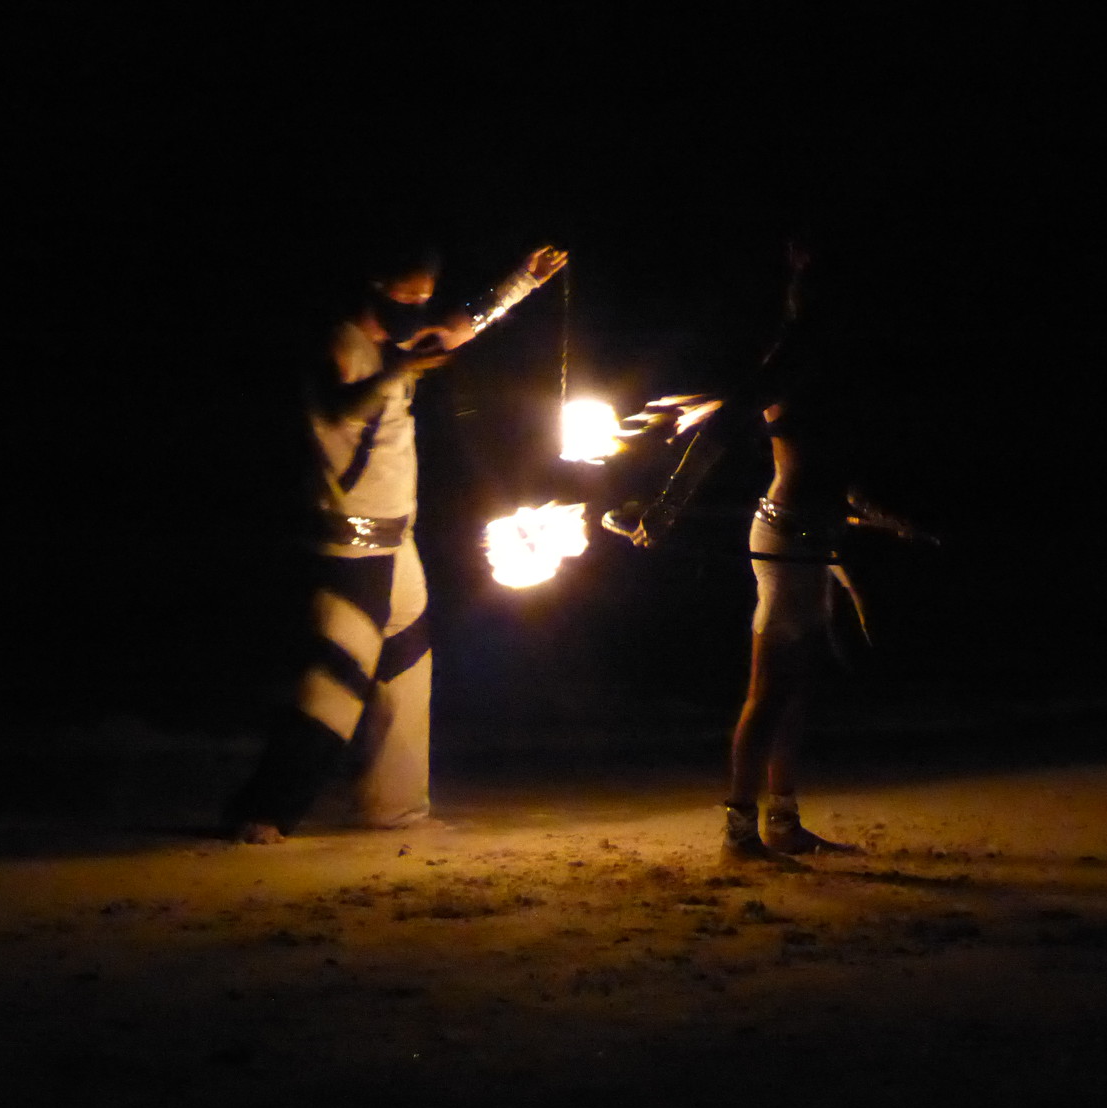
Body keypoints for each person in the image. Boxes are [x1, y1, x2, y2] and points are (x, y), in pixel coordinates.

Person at [224, 240, 568, 845]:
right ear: (373, 285)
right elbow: (337, 408)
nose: (418, 309)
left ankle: (395, 805)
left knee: (407, 668)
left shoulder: (393, 343)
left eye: (424, 298)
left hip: (396, 540)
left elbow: (458, 327)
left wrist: (522, 281)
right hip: (349, 545)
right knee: (335, 680)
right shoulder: (342, 344)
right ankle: (266, 810)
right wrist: (399, 372)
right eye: (407, 296)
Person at [604, 239, 875, 864]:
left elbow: (832, 458)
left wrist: (877, 517)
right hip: (786, 534)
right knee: (770, 687)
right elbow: (724, 430)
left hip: (817, 534)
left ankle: (782, 821)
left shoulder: (829, 355)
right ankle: (740, 833)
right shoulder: (794, 353)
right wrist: (667, 508)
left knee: (798, 684)